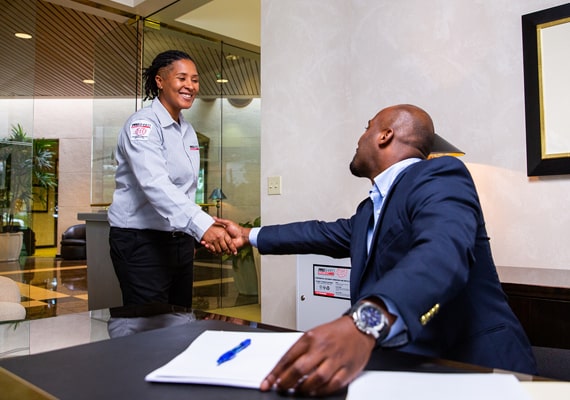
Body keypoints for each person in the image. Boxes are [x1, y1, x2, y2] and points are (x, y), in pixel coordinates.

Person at [211, 104, 537, 396]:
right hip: (407, 368)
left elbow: (442, 253)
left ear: (385, 135)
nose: (359, 137)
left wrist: (364, 323)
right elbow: (321, 233)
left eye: (366, 127)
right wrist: (248, 234)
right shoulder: (370, 210)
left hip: (473, 367)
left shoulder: (439, 175)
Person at [108, 50, 236, 309]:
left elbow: (185, 190)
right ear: (160, 81)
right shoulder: (142, 125)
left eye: (195, 79)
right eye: (182, 78)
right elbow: (156, 184)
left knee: (179, 319)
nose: (190, 85)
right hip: (140, 241)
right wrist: (202, 225)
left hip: (177, 241)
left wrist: (195, 232)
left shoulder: (187, 131)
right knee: (150, 328)